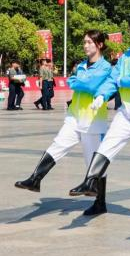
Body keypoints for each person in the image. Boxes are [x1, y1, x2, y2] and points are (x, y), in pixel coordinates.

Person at [68, 13, 130, 222]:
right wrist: (102, 95)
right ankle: (91, 183)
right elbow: (113, 79)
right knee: (106, 147)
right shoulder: (127, 56)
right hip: (126, 112)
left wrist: (123, 80)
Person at [15, 30, 112, 215]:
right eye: (84, 42)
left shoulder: (105, 67)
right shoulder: (82, 65)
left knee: (93, 161)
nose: (85, 46)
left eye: (89, 42)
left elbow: (87, 85)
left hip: (93, 120)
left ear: (99, 45)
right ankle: (35, 179)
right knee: (58, 145)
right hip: (74, 116)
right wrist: (80, 81)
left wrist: (78, 81)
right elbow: (74, 81)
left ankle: (100, 202)